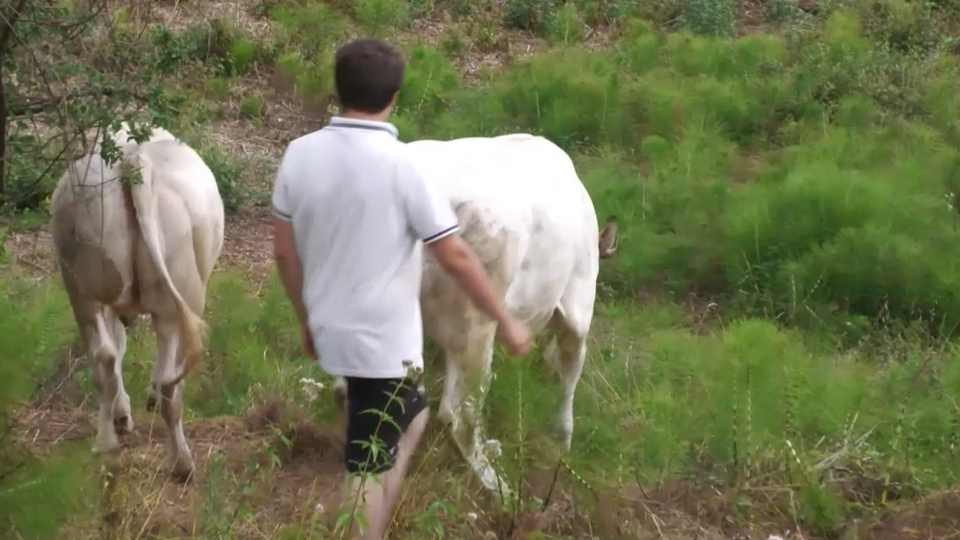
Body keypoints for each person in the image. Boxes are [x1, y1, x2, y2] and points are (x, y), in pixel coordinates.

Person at [270, 37, 533, 540]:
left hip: (330, 327)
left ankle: (374, 520)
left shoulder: (298, 155)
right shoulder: (405, 165)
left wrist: (306, 319)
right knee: (366, 463)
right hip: (380, 343)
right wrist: (506, 319)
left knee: (411, 419)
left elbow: (284, 251)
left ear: (337, 89)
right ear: (395, 97)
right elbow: (453, 254)